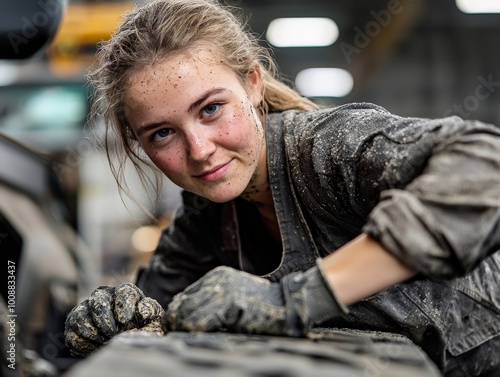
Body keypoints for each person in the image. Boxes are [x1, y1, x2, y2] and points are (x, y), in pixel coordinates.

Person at [64, 0, 500, 375]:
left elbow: (488, 169)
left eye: (212, 109)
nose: (199, 150)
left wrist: (298, 298)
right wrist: (116, 317)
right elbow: (156, 312)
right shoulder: (207, 221)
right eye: (162, 133)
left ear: (252, 85)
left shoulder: (327, 149)